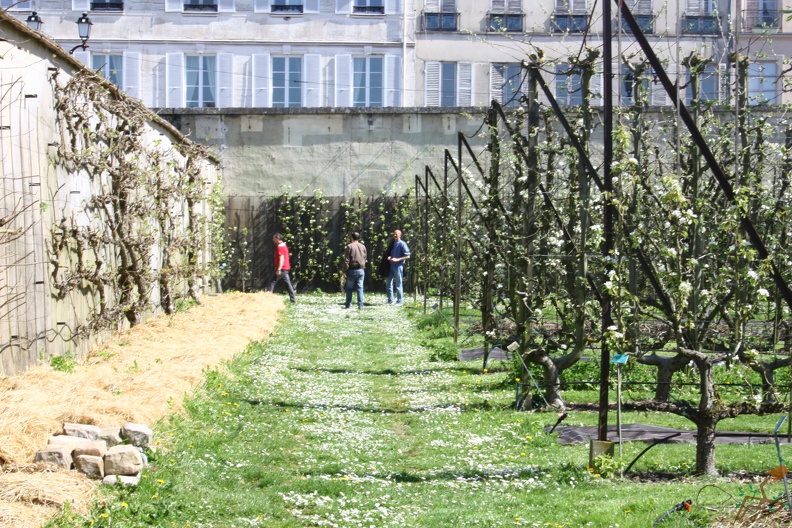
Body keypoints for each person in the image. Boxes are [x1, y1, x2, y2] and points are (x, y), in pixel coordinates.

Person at [268, 233, 296, 303]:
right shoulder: (284, 245)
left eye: (274, 238)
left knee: (271, 283)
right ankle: (293, 300)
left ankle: (267, 299)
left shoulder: (279, 247)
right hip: (286, 268)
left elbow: (282, 258)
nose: (273, 240)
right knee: (288, 284)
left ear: (277, 238)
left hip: (282, 268)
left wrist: (279, 269)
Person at [342, 231, 367, 310]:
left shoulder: (349, 246)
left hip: (352, 270)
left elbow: (347, 260)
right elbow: (365, 257)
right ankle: (361, 305)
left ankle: (348, 304)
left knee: (349, 288)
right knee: (360, 288)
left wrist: (345, 270)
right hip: (361, 270)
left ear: (352, 238)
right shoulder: (363, 246)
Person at [386, 229, 410, 306]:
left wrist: (398, 259)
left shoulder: (402, 244)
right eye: (394, 234)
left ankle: (399, 301)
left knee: (398, 284)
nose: (395, 235)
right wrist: (390, 257)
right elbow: (391, 254)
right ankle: (390, 300)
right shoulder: (393, 244)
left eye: (396, 234)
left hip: (398, 266)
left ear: (400, 235)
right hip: (391, 265)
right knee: (388, 282)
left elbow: (407, 256)